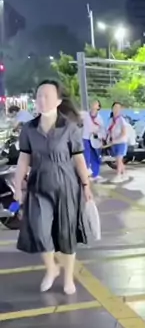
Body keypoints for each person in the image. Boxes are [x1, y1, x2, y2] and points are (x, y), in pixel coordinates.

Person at [13, 80, 92, 295]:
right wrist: (18, 186)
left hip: (66, 186)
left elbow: (79, 159)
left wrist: (86, 185)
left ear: (58, 101)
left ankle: (68, 278)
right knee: (40, 230)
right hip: (39, 185)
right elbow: (23, 159)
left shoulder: (69, 127)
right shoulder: (29, 129)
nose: (41, 99)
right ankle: (51, 268)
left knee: (66, 234)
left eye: (47, 95)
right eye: (39, 95)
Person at [82, 99, 105, 182]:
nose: (93, 104)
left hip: (95, 140)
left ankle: (95, 174)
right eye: (92, 103)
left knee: (95, 157)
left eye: (96, 103)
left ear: (99, 107)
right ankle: (86, 175)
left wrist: (98, 135)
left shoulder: (100, 118)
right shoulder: (85, 115)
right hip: (85, 138)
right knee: (86, 157)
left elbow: (103, 131)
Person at [105, 102, 129, 183]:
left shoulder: (121, 120)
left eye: (118, 108)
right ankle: (124, 174)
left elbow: (124, 132)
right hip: (114, 143)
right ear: (112, 109)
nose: (116, 109)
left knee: (118, 160)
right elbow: (109, 131)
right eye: (115, 107)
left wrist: (116, 139)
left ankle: (118, 175)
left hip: (121, 142)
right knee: (119, 160)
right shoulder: (111, 120)